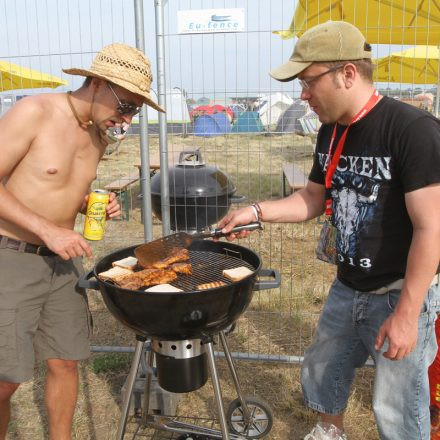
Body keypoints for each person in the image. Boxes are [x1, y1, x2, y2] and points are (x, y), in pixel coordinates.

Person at [218, 21, 440, 440]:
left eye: (308, 81)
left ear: (348, 74)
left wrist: (408, 316)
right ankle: (330, 431)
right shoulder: (331, 130)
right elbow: (314, 199)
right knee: (323, 369)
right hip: (348, 286)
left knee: (396, 404)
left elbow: (433, 229)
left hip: (399, 291)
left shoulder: (413, 130)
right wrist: (255, 210)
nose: (303, 94)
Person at [0, 43, 164, 440]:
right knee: (5, 379)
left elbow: (55, 187)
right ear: (95, 82)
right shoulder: (34, 112)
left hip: (63, 262)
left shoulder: (98, 134)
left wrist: (93, 202)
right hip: (13, 257)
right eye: (124, 104)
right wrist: (48, 229)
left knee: (65, 362)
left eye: (134, 111)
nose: (125, 118)